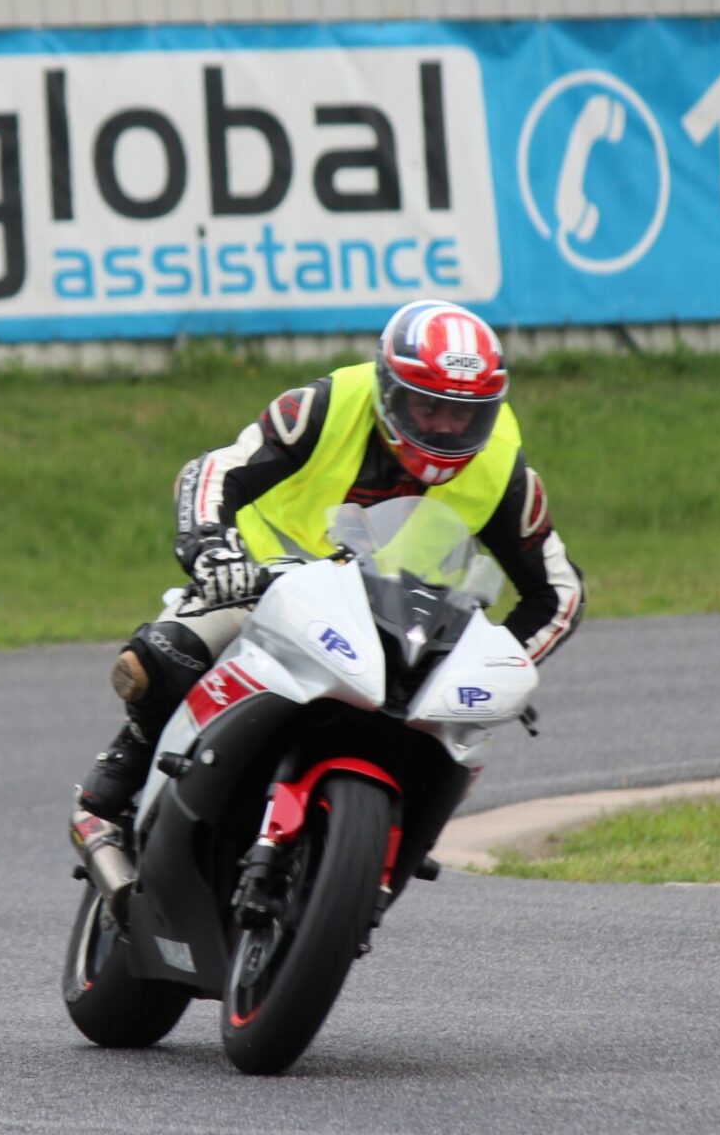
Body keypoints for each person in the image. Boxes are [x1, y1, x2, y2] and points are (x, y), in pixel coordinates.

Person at [77, 300, 585, 818]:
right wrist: (212, 548)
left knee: (456, 739)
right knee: (160, 658)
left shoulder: (502, 462)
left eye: (464, 414)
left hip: (403, 622)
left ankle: (399, 841)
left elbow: (559, 594)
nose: (445, 430)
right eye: (427, 408)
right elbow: (214, 470)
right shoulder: (327, 405)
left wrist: (496, 663)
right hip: (269, 584)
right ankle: (132, 754)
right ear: (389, 392)